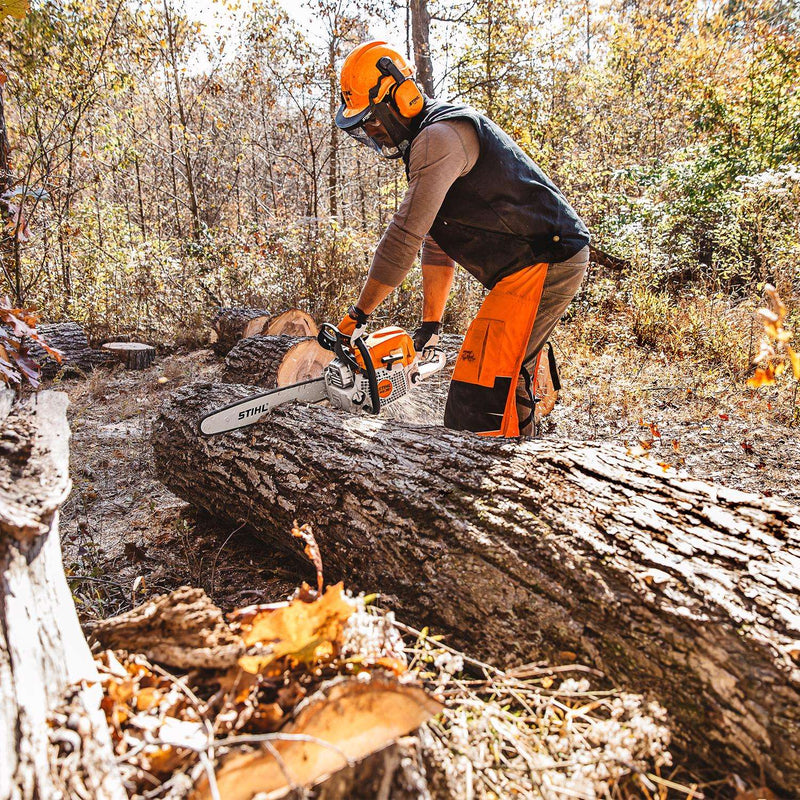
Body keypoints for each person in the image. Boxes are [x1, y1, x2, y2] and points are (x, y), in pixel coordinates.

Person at [335, 41, 590, 437]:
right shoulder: (427, 142)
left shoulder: (439, 137)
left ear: (399, 100)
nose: (373, 133)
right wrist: (431, 323)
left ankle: (518, 468)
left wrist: (358, 315)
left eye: (372, 121)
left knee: (478, 403)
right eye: (363, 127)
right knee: (489, 380)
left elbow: (404, 236)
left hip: (546, 258)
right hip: (524, 268)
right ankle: (529, 427)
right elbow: (438, 243)